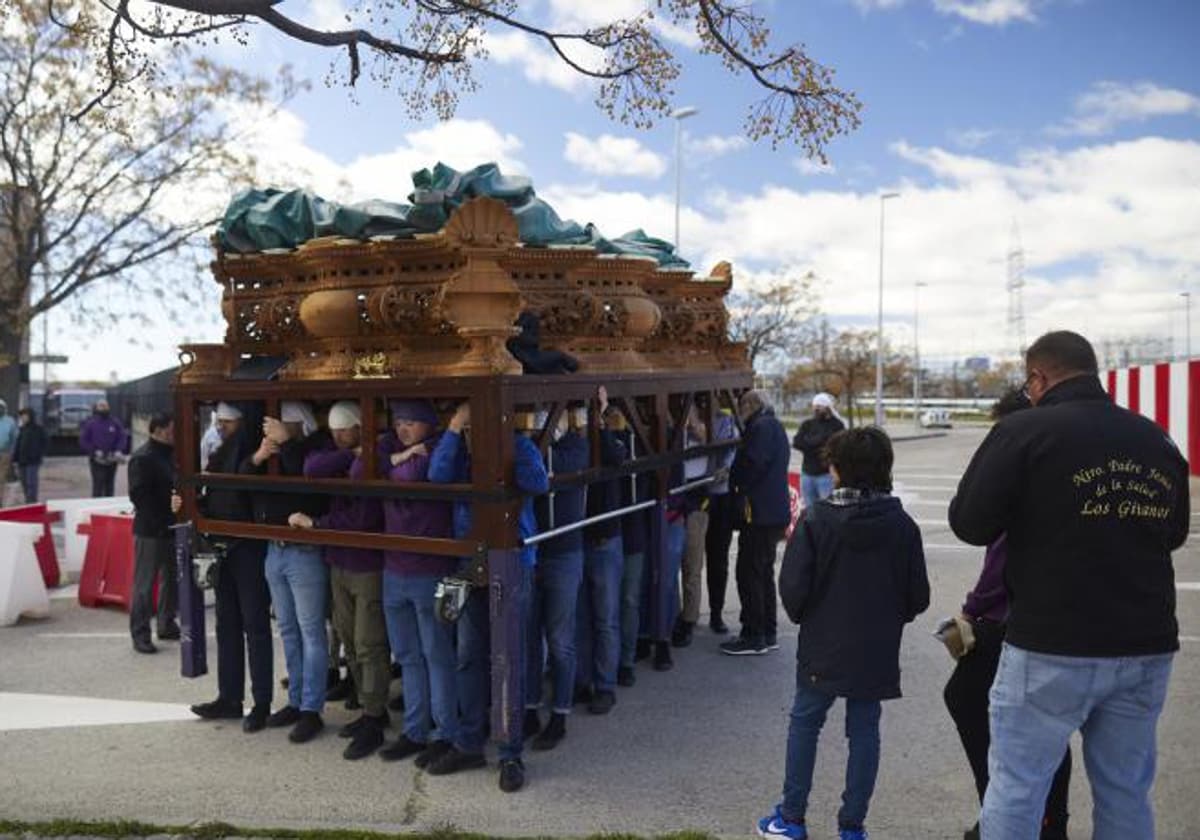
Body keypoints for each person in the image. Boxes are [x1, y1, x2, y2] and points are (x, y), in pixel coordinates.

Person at [949, 331, 1188, 840]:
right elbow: (1173, 533)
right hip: (1145, 644)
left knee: (1018, 786)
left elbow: (970, 523)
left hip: (1052, 643)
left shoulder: (1024, 431)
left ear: (1038, 378)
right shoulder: (1155, 437)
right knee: (1125, 792)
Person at [760, 426, 930, 840]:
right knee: (865, 730)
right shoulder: (902, 525)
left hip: (824, 641)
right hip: (877, 645)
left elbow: (794, 587)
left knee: (805, 722)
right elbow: (918, 596)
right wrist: (893, 616)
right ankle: (852, 826)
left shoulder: (817, 519)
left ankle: (792, 817)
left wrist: (806, 616)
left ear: (836, 469)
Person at [942, 389, 1072, 840]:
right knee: (1048, 727)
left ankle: (1006, 817)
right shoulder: (1062, 467)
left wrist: (972, 609)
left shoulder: (1023, 478)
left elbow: (995, 556)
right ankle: (1047, 820)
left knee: (974, 703)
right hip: (1061, 620)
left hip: (1013, 624)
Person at [427, 401, 550, 791]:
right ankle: (469, 741)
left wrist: (505, 451)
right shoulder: (460, 452)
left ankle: (510, 752)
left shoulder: (520, 445)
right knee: (469, 656)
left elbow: (537, 482)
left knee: (507, 659)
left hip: (509, 559)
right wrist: (453, 430)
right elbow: (436, 477)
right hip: (468, 560)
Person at [293, 399, 389, 761]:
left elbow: (363, 519)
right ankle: (367, 709)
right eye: (332, 429)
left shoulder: (375, 455)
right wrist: (352, 455)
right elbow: (312, 467)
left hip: (366, 564)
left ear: (359, 427)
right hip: (341, 561)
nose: (335, 435)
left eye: (343, 429)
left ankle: (374, 715)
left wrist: (318, 526)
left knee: (369, 643)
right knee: (349, 639)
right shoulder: (347, 455)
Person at [375, 399, 465, 769]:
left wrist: (394, 463)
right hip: (393, 569)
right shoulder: (395, 449)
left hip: (429, 569)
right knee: (409, 656)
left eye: (412, 422)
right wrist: (394, 458)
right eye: (399, 422)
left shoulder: (438, 450)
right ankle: (415, 730)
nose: (403, 428)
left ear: (430, 425)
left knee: (437, 656)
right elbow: (364, 469)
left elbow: (412, 476)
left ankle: (445, 733)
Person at [242, 401, 331, 744]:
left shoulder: (313, 448)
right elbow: (242, 482)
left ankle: (312, 708)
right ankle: (296, 700)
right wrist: (258, 458)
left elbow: (309, 481)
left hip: (304, 551)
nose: (275, 429)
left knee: (311, 632)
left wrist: (287, 443)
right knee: (289, 631)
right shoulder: (275, 452)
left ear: (300, 424)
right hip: (274, 549)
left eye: (284, 423)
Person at [190, 402, 274, 733]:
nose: (221, 428)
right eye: (219, 422)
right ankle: (230, 697)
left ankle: (262, 702)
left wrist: (254, 462)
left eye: (226, 423)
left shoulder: (256, 450)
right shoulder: (225, 451)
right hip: (225, 545)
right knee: (226, 624)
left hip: (249, 547)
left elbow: (241, 487)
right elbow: (216, 490)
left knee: (255, 626)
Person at [527, 407, 589, 750]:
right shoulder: (527, 446)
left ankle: (560, 715)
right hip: (534, 553)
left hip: (564, 553)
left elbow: (558, 465)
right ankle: (530, 708)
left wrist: (537, 441)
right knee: (529, 637)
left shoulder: (576, 446)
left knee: (561, 639)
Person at [722, 389, 791, 656]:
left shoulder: (760, 427)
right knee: (762, 573)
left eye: (742, 405)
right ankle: (767, 632)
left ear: (752, 405)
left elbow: (753, 464)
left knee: (749, 573)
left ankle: (754, 634)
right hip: (772, 512)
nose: (740, 410)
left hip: (759, 512)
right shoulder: (773, 425)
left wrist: (735, 481)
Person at [575, 387, 627, 714]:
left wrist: (599, 417)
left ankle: (605, 684)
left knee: (605, 618)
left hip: (604, 539)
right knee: (582, 618)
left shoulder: (614, 442)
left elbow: (612, 454)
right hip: (580, 539)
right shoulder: (574, 445)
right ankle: (584, 680)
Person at [126, 412, 179, 654]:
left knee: (171, 580)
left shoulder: (171, 455)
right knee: (145, 585)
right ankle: (140, 633)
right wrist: (160, 518)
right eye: (171, 429)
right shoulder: (143, 458)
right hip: (150, 529)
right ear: (158, 430)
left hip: (170, 526)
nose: (174, 433)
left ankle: (166, 623)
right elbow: (138, 495)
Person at [673, 405, 709, 648]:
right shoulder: (675, 435)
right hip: (676, 503)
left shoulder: (704, 434)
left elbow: (710, 445)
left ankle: (689, 619)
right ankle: (675, 615)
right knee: (671, 568)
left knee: (692, 566)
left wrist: (695, 428)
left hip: (696, 504)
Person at [705, 405, 739, 635]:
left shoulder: (728, 422)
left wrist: (725, 467)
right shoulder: (690, 415)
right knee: (691, 561)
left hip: (722, 496)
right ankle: (686, 614)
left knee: (718, 559)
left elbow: (732, 454)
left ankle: (716, 613)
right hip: (697, 495)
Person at [792, 393, 846, 512]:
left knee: (828, 510)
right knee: (809, 511)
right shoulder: (807, 424)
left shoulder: (837, 425)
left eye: (819, 406)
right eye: (814, 406)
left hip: (826, 476)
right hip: (807, 475)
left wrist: (809, 442)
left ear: (827, 407)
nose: (816, 409)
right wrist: (817, 442)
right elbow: (797, 442)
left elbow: (835, 448)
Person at [80, 399, 127, 497]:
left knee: (109, 486)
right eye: (101, 405)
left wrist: (118, 450)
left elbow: (122, 437)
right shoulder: (90, 423)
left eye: (105, 405)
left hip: (112, 459)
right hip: (97, 460)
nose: (104, 407)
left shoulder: (115, 422)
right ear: (96, 408)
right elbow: (84, 440)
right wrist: (94, 451)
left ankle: (109, 507)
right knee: (98, 485)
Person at [13, 407, 47, 504]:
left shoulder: (38, 429)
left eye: (25, 416)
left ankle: (32, 501)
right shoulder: (22, 430)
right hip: (21, 460)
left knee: (31, 482)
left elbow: (45, 443)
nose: (23, 418)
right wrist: (15, 459)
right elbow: (18, 444)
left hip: (33, 461)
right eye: (22, 416)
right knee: (24, 482)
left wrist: (39, 454)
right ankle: (27, 499)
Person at [0, 399, 17, 505]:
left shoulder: (9, 421)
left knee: (1, 478)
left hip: (4, 453)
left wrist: (11, 452)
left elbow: (14, 438)